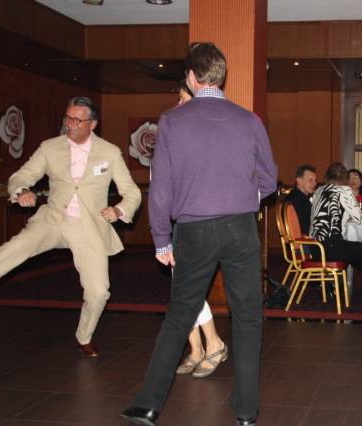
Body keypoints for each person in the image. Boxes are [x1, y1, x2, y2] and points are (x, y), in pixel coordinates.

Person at [122, 42, 277, 426]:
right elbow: (270, 180)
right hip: (240, 228)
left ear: (191, 77)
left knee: (180, 315)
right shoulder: (249, 120)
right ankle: (246, 411)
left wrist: (161, 238)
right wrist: (244, 200)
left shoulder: (172, 121)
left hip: (193, 229)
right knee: (248, 317)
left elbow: (161, 187)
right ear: (220, 76)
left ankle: (148, 406)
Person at [0, 96, 141, 357]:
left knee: (99, 292)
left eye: (77, 120)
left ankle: (83, 337)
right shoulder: (49, 148)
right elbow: (22, 175)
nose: (70, 124)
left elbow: (132, 193)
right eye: (68, 118)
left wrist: (119, 210)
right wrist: (21, 191)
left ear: (92, 124)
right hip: (53, 219)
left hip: (88, 226)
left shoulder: (109, 153)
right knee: (11, 250)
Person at [171, 77, 227, 379]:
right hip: (180, 215)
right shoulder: (178, 130)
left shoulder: (204, 133)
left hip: (200, 218)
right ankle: (196, 348)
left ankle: (214, 343)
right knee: (180, 286)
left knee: (186, 286)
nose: (178, 104)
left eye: (183, 98)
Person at [310, 162, 362, 303]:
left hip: (315, 248)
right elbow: (359, 219)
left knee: (361, 253)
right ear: (344, 178)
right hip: (331, 247)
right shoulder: (344, 191)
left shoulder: (319, 190)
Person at [284, 164, 317, 234]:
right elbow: (306, 228)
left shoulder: (298, 196)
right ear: (299, 181)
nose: (314, 183)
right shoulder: (297, 200)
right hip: (304, 239)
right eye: (310, 180)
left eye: (315, 180)